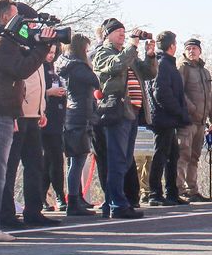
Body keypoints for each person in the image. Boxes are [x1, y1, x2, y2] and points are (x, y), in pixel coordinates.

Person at [0, 0, 54, 242]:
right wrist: (42, 47)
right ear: (7, 17)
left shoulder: (2, 41)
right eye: (18, 16)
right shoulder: (0, 43)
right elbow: (22, 69)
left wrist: (38, 40)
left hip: (3, 112)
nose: (23, 23)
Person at [92, 19, 156, 219]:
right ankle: (117, 204)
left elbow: (149, 73)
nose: (122, 34)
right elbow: (116, 66)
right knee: (117, 159)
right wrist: (133, 45)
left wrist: (150, 54)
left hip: (132, 112)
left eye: (123, 31)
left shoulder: (129, 54)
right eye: (117, 31)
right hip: (116, 111)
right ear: (107, 35)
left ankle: (112, 203)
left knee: (125, 159)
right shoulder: (104, 53)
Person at [1, 29, 58, 229]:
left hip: (34, 115)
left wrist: (41, 109)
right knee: (10, 167)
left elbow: (38, 85)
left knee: (35, 165)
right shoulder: (17, 48)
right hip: (19, 115)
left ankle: (34, 210)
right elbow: (18, 81)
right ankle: (6, 213)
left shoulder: (37, 50)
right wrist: (15, 113)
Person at [56, 33, 99, 216]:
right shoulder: (78, 67)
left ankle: (76, 197)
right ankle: (73, 200)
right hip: (80, 115)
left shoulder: (64, 64)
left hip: (72, 113)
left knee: (75, 160)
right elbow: (95, 81)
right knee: (78, 159)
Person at [148, 30, 189, 206]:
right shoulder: (163, 64)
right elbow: (161, 92)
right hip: (163, 117)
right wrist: (178, 111)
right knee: (161, 154)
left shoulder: (165, 63)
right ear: (172, 46)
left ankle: (171, 192)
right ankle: (155, 193)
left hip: (167, 117)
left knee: (172, 154)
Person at [178, 37, 212, 201]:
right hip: (187, 121)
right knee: (183, 155)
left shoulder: (204, 71)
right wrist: (192, 110)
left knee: (195, 157)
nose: (191, 51)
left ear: (200, 51)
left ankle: (192, 190)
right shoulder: (182, 67)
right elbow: (179, 92)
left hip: (202, 122)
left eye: (194, 48)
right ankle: (178, 190)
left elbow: (209, 97)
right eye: (189, 49)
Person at [41, 45, 68, 212]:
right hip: (43, 120)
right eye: (48, 52)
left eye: (53, 53)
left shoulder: (56, 68)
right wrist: (48, 92)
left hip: (58, 120)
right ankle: (43, 196)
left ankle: (59, 195)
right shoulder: (37, 68)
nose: (50, 56)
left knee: (57, 159)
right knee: (45, 160)